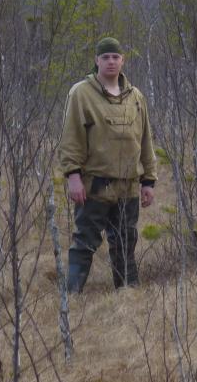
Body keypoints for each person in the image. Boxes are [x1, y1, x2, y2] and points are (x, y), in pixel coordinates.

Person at [58, 36, 157, 292]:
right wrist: (73, 176)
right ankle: (72, 296)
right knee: (85, 242)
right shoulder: (81, 93)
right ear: (96, 61)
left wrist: (149, 180)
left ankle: (128, 294)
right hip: (95, 186)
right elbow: (71, 138)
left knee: (125, 241)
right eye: (105, 57)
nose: (111, 62)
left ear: (122, 60)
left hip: (128, 187)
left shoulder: (135, 97)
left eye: (115, 57)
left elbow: (145, 139)